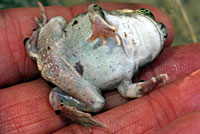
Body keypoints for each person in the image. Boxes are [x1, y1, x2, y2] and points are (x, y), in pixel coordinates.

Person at [0, 3, 200, 134]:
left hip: (70, 76)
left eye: (161, 34)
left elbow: (125, 89)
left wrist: (144, 87)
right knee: (58, 21)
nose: (160, 26)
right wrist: (99, 23)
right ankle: (40, 57)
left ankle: (59, 97)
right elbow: (93, 9)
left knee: (97, 103)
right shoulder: (112, 21)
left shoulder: (132, 65)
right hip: (56, 51)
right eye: (149, 15)